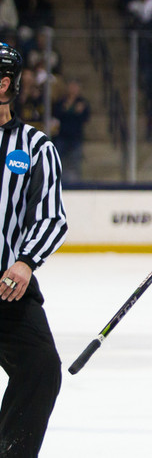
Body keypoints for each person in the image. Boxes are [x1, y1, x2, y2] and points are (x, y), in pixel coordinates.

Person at [0, 43, 66, 457]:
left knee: (40, 369)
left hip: (6, 289)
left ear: (4, 83)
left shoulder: (34, 146)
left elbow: (51, 217)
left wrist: (26, 262)